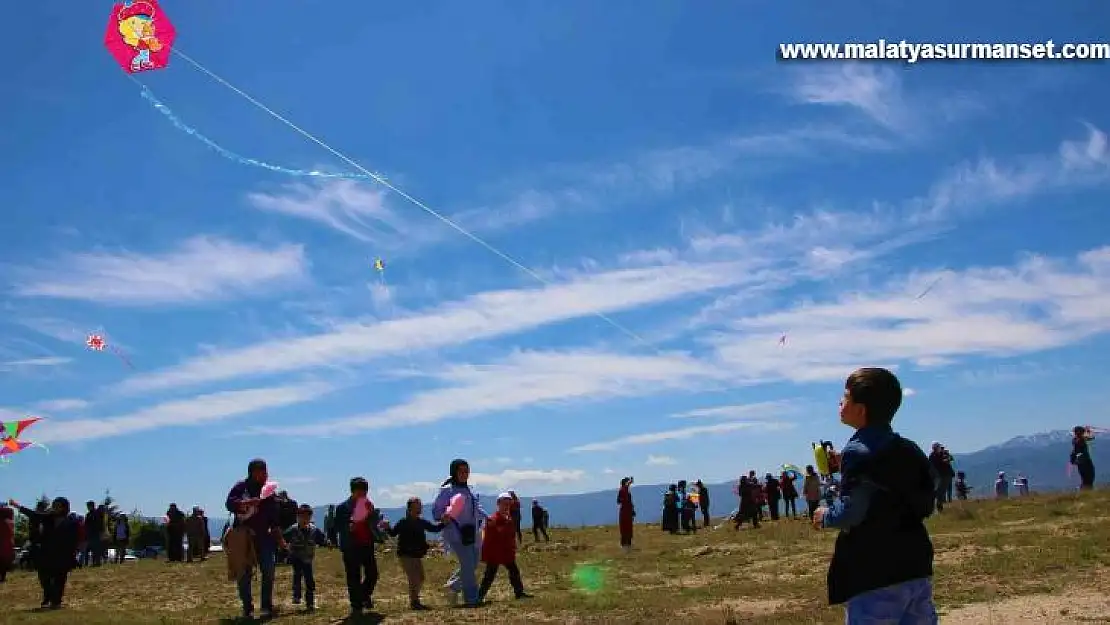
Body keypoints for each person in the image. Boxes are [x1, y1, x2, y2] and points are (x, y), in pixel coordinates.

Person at [813, 367, 937, 623]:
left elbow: (852, 512)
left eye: (845, 396)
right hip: (915, 564)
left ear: (860, 409)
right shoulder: (908, 448)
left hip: (875, 569)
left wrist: (824, 515)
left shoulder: (857, 453)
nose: (840, 401)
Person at [225, 458, 286, 620]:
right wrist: (246, 503)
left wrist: (280, 539)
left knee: (269, 569)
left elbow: (274, 518)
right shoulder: (241, 487)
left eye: (266, 471)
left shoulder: (268, 492)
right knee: (244, 573)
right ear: (253, 472)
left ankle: (266, 606)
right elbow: (229, 503)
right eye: (263, 471)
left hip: (264, 537)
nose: (266, 474)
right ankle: (247, 607)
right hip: (243, 536)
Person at [433, 458, 486, 608]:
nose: (464, 474)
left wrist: (488, 517)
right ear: (454, 472)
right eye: (461, 471)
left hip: (473, 532)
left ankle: (453, 586)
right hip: (456, 533)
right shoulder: (447, 491)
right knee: (468, 565)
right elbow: (437, 511)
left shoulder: (470, 490)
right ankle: (471, 598)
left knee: (474, 562)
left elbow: (477, 509)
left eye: (466, 471)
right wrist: (443, 516)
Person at [11, 497, 80, 609]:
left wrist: (72, 554)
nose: (55, 508)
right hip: (47, 553)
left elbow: (74, 540)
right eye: (54, 505)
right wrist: (18, 506)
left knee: (60, 579)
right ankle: (48, 598)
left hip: (63, 555)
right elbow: (33, 515)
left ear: (64, 507)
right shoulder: (48, 519)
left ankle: (56, 601)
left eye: (58, 505)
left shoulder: (71, 522)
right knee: (44, 577)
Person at [334, 477, 379, 616]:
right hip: (351, 546)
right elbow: (337, 526)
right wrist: (348, 527)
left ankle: (363, 596)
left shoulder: (368, 504)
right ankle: (356, 605)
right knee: (353, 576)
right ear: (353, 491)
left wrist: (372, 514)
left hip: (367, 543)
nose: (363, 494)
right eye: (361, 491)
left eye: (365, 491)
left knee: (372, 574)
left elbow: (374, 522)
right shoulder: (343, 508)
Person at [390, 497, 444, 610]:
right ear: (410, 508)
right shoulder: (403, 522)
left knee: (420, 578)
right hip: (405, 554)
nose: (419, 509)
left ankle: (414, 600)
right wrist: (386, 527)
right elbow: (393, 533)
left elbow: (434, 529)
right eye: (416, 506)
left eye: (420, 506)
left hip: (416, 555)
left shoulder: (421, 522)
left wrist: (445, 522)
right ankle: (414, 602)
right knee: (414, 578)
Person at [477, 493, 532, 604]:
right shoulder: (493, 519)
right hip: (495, 553)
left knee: (513, 571)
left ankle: (519, 592)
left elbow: (510, 536)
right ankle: (479, 596)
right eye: (504, 504)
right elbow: (492, 537)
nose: (506, 506)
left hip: (506, 552)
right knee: (489, 575)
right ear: (498, 504)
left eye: (508, 504)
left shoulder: (508, 518)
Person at [283, 504, 326, 612]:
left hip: (308, 558)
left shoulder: (314, 530)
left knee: (309, 580)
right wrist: (284, 549)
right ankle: (296, 596)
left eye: (307, 517)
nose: (304, 519)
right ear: (297, 517)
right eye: (302, 516)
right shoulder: (292, 529)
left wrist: (328, 543)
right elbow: (284, 539)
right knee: (297, 575)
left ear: (310, 517)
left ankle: (310, 602)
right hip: (295, 557)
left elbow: (322, 539)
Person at [83, 501, 105, 567]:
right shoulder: (88, 514)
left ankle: (97, 562)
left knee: (96, 549)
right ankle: (87, 563)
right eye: (87, 506)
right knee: (88, 549)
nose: (88, 507)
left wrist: (101, 532)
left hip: (96, 533)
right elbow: (86, 524)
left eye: (89, 506)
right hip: (89, 534)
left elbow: (100, 523)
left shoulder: (97, 513)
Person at [617, 477, 635, 552]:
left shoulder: (626, 491)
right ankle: (624, 543)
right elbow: (618, 501)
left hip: (628, 511)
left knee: (628, 527)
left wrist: (632, 510)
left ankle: (628, 543)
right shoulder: (622, 490)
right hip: (624, 511)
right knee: (625, 527)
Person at [0, 505, 14, 582]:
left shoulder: (3, 522)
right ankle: (3, 577)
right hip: (7, 546)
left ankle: (2, 577)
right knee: (3, 563)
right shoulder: (10, 522)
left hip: (2, 546)